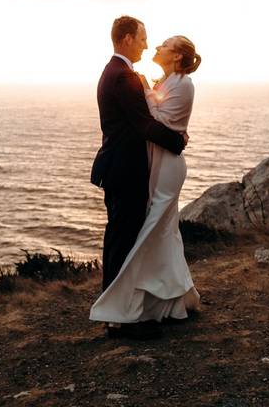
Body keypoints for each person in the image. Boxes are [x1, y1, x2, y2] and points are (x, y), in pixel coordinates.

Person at [90, 33, 202, 336]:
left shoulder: (180, 83)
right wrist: (176, 138)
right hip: (151, 162)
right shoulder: (135, 77)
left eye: (163, 45)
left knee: (153, 230)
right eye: (144, 38)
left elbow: (151, 118)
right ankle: (164, 302)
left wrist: (176, 140)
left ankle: (130, 307)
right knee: (160, 232)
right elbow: (146, 120)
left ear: (177, 56)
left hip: (166, 166)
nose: (152, 45)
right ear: (127, 39)